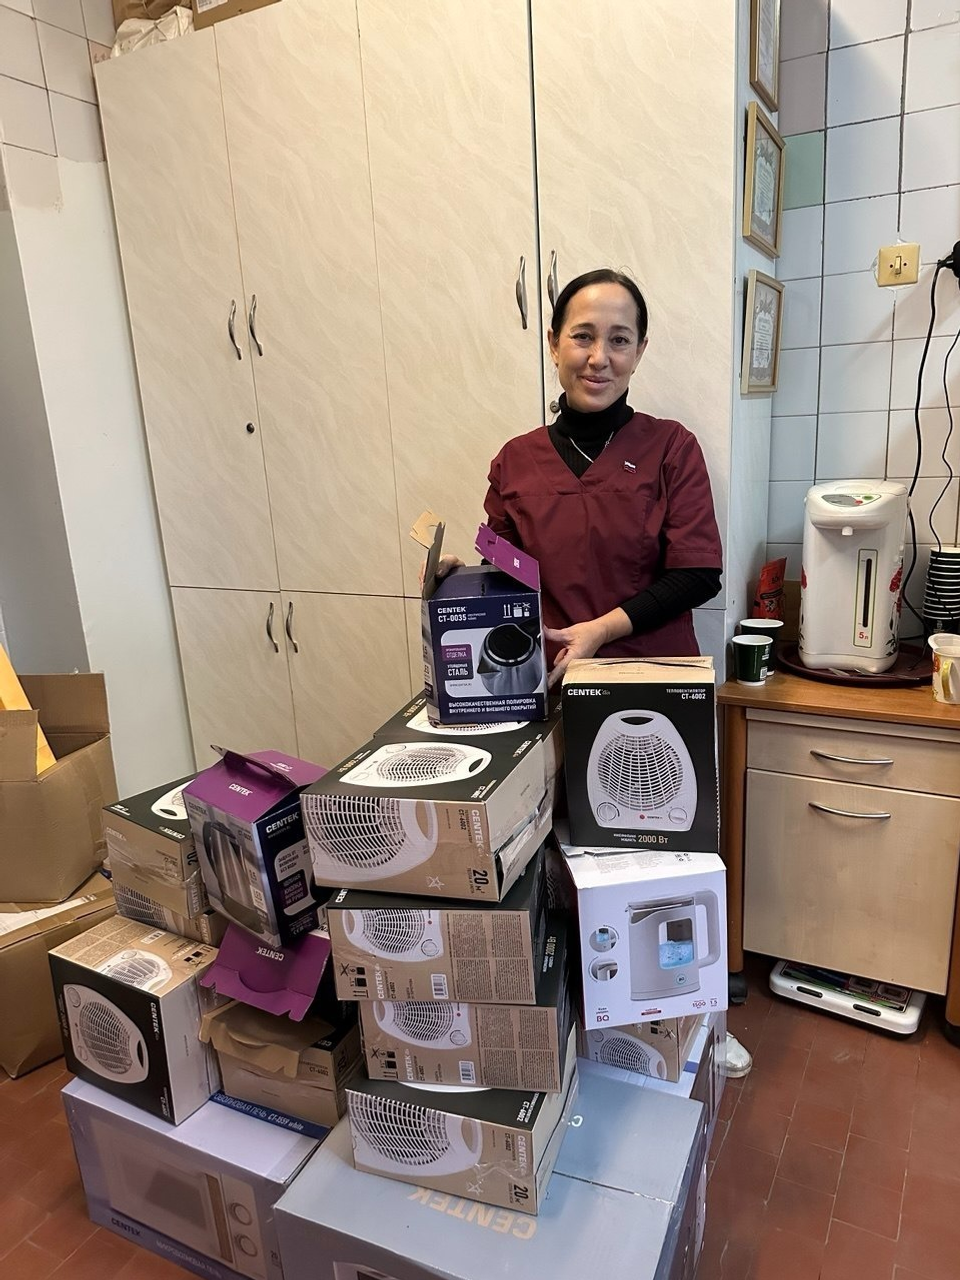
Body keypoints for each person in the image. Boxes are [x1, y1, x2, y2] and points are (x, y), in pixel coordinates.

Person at [437, 268, 724, 686]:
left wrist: (602, 629)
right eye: (583, 336)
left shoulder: (672, 447)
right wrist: (460, 583)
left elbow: (698, 575)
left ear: (639, 352)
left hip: (652, 681)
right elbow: (509, 575)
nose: (599, 358)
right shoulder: (515, 460)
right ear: (554, 344)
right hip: (552, 678)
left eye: (619, 340)